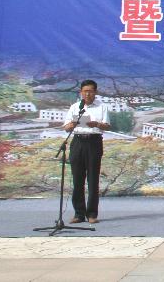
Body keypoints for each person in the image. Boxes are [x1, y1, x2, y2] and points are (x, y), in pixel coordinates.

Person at [61, 79, 111, 224]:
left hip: (94, 142)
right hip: (77, 141)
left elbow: (107, 126)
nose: (87, 94)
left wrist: (97, 124)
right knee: (77, 179)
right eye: (85, 91)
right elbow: (66, 127)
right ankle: (79, 214)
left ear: (95, 92)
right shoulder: (75, 107)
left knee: (93, 179)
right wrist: (72, 125)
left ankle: (92, 214)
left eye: (90, 91)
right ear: (81, 92)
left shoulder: (102, 107)